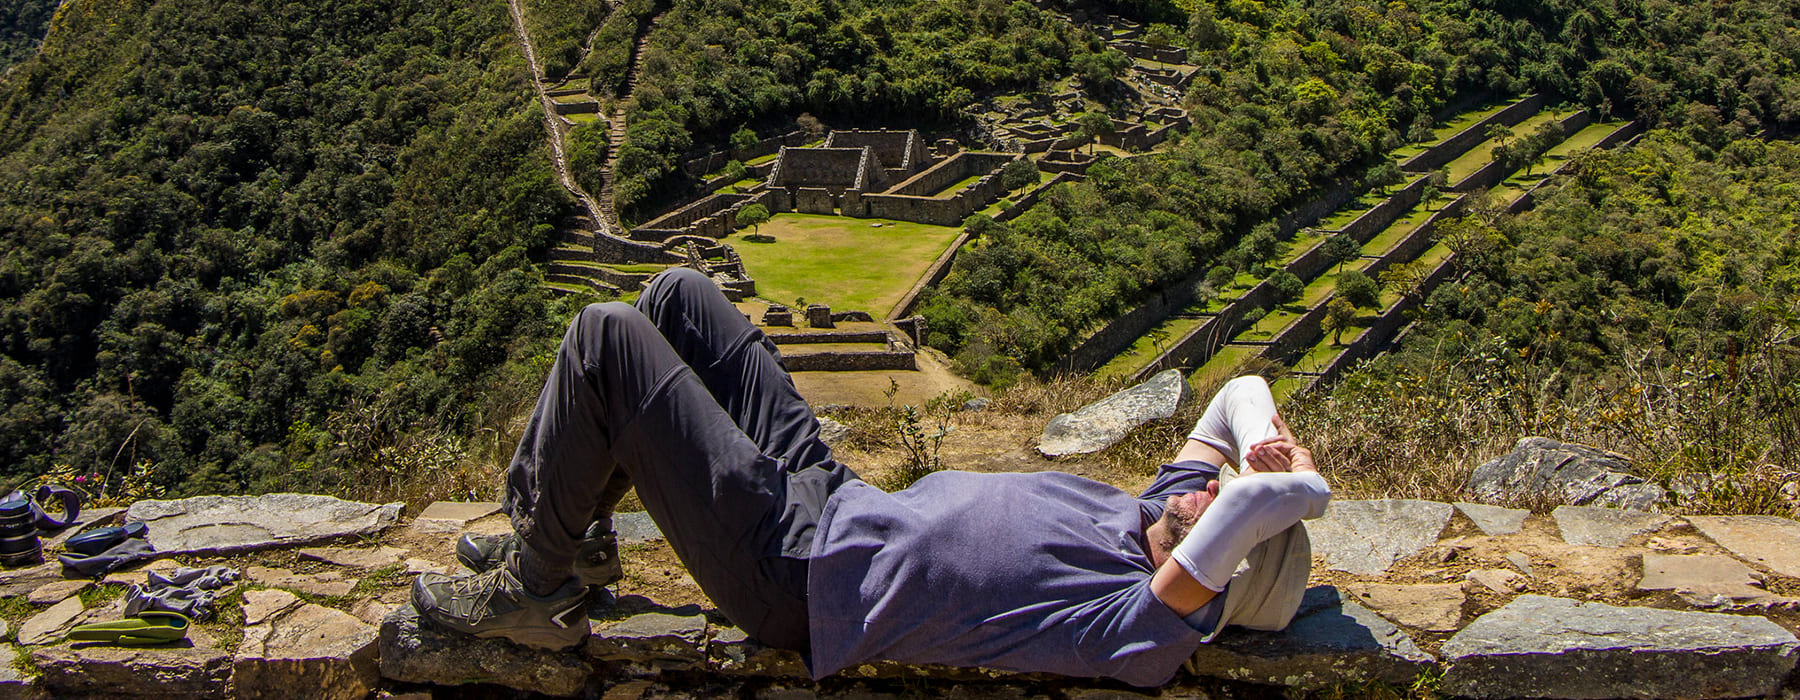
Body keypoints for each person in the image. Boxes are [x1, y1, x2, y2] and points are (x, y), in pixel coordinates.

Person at [411, 268, 1331, 687]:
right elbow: (1241, 391)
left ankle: (531, 585)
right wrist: (1257, 446)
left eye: (1226, 516)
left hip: (795, 574)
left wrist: (1285, 488)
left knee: (607, 338)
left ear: (1223, 571)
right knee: (679, 298)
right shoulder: (1151, 514)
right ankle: (579, 541)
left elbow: (1262, 506)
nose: (1204, 495)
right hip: (833, 496)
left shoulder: (1133, 623)